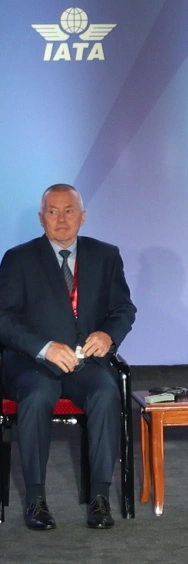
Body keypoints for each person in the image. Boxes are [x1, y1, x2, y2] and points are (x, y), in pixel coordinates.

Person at [0, 183, 135, 529]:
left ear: (83, 217)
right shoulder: (19, 258)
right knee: (38, 394)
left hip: (84, 363)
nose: (61, 219)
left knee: (106, 393)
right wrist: (44, 347)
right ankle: (35, 499)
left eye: (69, 211)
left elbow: (123, 309)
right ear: (41, 218)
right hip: (32, 362)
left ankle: (100, 497)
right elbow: (4, 317)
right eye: (53, 211)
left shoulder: (106, 255)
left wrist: (108, 335)